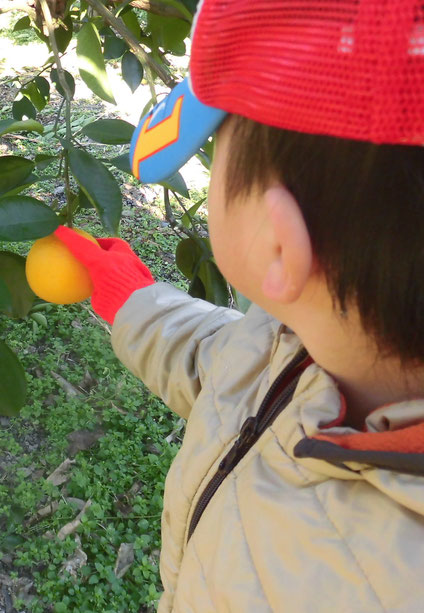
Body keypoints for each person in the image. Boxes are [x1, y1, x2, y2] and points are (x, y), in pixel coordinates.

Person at [55, 0, 424, 611]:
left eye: (214, 143)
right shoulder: (316, 339)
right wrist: (134, 303)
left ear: (277, 245)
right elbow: (234, 371)